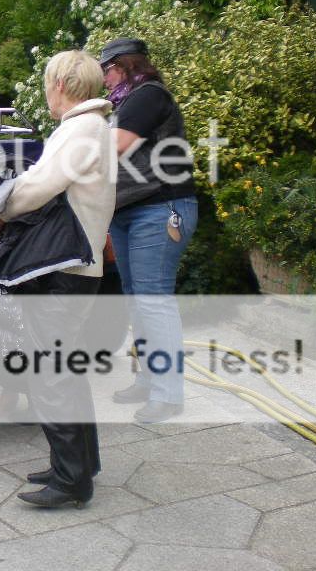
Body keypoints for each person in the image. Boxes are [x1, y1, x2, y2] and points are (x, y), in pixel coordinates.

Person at [0, 49, 116, 509]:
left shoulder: (80, 130)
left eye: (48, 83)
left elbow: (35, 187)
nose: (47, 91)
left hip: (64, 267)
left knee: (51, 373)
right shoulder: (94, 127)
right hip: (78, 266)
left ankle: (70, 481)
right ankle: (79, 464)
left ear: (61, 86)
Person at [100, 37, 198, 424]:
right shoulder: (128, 102)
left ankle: (168, 394)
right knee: (136, 299)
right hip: (131, 211)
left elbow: (116, 146)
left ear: (123, 66)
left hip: (160, 208)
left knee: (153, 299)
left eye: (105, 71)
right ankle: (147, 379)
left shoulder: (148, 95)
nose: (103, 80)